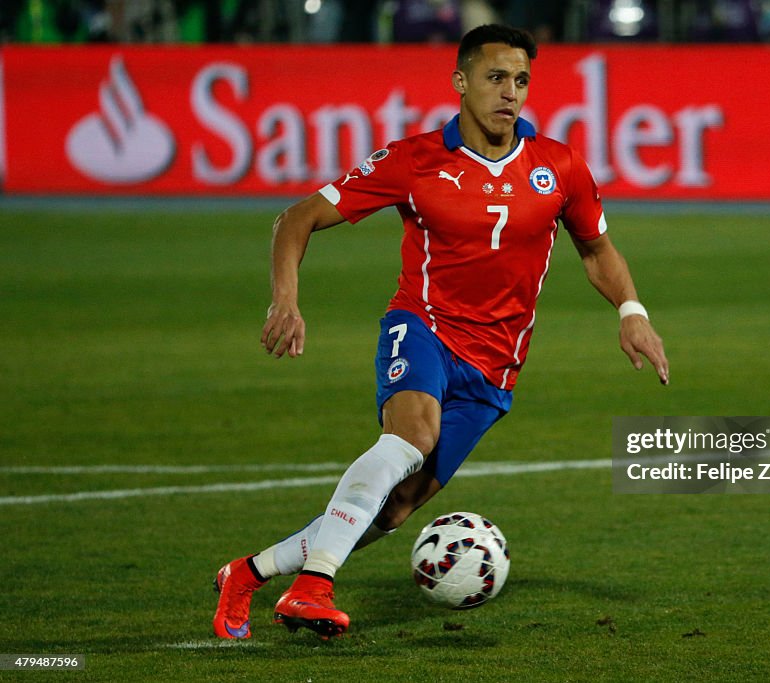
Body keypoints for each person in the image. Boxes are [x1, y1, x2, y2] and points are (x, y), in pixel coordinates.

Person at [212, 23, 670, 641]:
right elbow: (298, 218)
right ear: (460, 82)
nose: (511, 92)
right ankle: (314, 585)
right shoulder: (414, 161)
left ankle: (247, 573)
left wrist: (631, 312)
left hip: (495, 367)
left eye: (522, 80)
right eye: (496, 77)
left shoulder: (559, 165)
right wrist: (285, 302)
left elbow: (596, 250)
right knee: (411, 437)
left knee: (396, 506)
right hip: (422, 327)